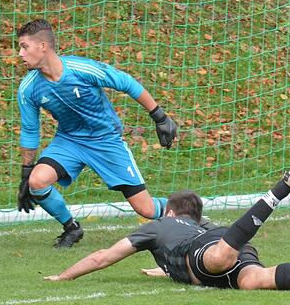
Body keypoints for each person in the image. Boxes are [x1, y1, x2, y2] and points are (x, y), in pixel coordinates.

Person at [43, 160, 290, 291]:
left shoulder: (160, 225)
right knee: (255, 281)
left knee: (220, 257)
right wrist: (160, 269)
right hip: (225, 250)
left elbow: (103, 257)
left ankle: (284, 186)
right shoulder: (195, 226)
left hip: (210, 254)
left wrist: (63, 276)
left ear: (172, 213)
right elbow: (172, 259)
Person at [15, 19, 178, 248]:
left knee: (147, 209)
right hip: (69, 140)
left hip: (105, 140)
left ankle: (190, 211)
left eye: (24, 46)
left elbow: (126, 82)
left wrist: (159, 117)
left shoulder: (82, 70)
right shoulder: (28, 88)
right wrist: (26, 173)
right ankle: (71, 228)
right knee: (38, 181)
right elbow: (30, 130)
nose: (20, 53)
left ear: (43, 46)